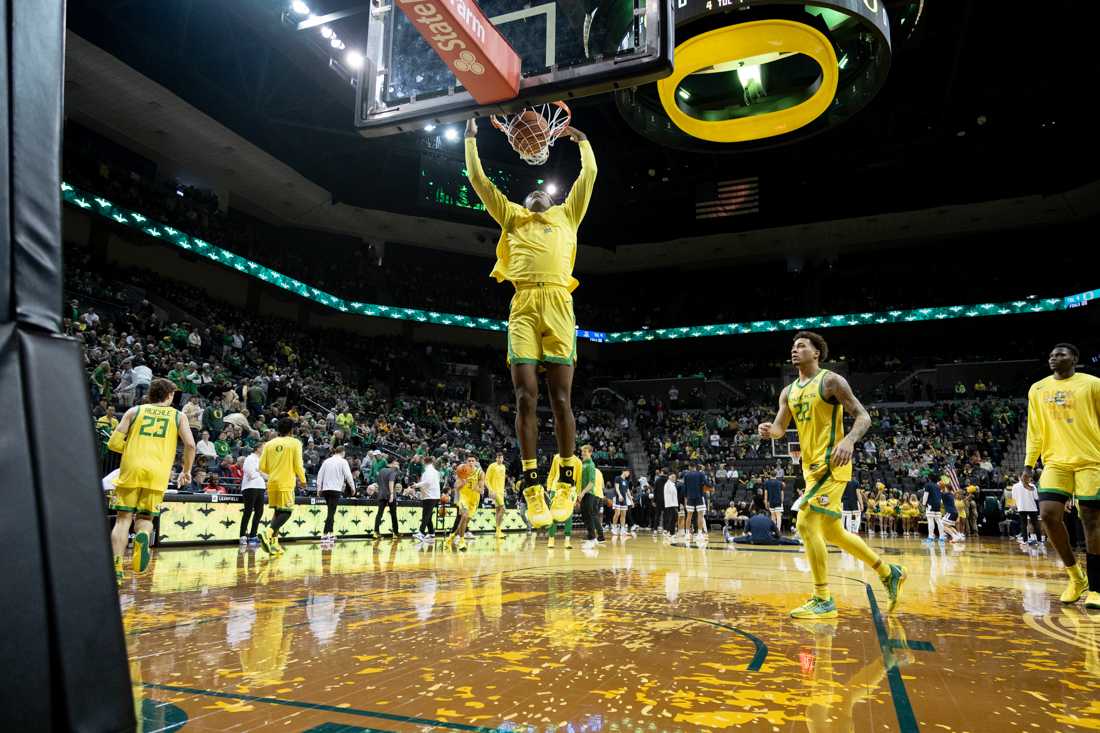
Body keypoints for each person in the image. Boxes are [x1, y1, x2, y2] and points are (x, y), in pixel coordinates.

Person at [464, 117, 596, 531]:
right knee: (524, 396)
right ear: (524, 203)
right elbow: (478, 179)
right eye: (531, 191)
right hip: (523, 303)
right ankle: (533, 485)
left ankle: (567, 480)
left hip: (559, 301)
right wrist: (471, 137)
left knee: (560, 400)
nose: (538, 193)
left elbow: (588, 174)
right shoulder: (512, 217)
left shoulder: (567, 214)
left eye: (543, 190)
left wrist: (583, 140)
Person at [758, 332, 906, 619]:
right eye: (793, 346)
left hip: (833, 465)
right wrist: (769, 431)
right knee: (833, 532)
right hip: (811, 470)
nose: (795, 349)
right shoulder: (788, 392)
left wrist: (849, 440)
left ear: (817, 353)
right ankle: (889, 572)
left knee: (805, 522)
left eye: (802, 346)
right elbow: (780, 428)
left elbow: (864, 417)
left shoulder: (831, 381)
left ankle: (823, 598)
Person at [1025, 343, 1100, 607]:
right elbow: (1034, 429)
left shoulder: (1093, 384)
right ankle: (1076, 577)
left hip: (1092, 459)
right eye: (1051, 354)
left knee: (1090, 519)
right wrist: (1028, 464)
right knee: (1047, 515)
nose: (1054, 358)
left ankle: (1097, 587)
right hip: (1056, 461)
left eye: (1061, 354)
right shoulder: (1038, 388)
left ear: (1075, 359)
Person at [107, 378, 195, 586]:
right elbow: (190, 445)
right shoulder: (178, 416)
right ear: (169, 395)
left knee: (122, 519)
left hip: (131, 470)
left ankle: (117, 568)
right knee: (146, 518)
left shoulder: (134, 411)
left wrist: (131, 448)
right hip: (157, 473)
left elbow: (114, 443)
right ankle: (143, 537)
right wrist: (186, 470)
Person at [257, 417, 305, 556]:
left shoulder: (269, 444)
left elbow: (262, 467)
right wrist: (302, 479)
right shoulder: (295, 443)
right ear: (292, 430)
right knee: (287, 511)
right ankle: (268, 533)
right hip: (285, 482)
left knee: (277, 512)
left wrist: (275, 470)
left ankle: (274, 544)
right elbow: (298, 463)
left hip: (272, 482)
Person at [316, 445, 356, 543]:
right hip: (335, 490)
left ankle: (330, 532)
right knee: (331, 512)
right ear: (343, 452)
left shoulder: (326, 461)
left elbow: (320, 475)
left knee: (331, 511)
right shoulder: (343, 461)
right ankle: (326, 534)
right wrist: (353, 487)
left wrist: (318, 489)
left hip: (325, 490)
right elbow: (348, 476)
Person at [450, 456, 485, 551]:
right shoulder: (462, 471)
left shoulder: (480, 473)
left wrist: (476, 488)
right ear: (466, 462)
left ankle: (452, 536)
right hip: (463, 498)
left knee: (464, 522)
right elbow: (456, 487)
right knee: (464, 516)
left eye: (472, 461)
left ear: (475, 462)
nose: (470, 462)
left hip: (474, 500)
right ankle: (462, 541)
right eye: (469, 460)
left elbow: (482, 491)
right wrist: (463, 482)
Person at [728, 501, 802, 545]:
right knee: (782, 539)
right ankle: (799, 542)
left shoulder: (751, 519)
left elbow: (744, 534)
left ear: (758, 514)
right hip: (768, 540)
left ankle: (730, 539)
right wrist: (774, 535)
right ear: (765, 514)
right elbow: (779, 535)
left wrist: (751, 534)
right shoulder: (769, 520)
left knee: (745, 538)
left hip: (754, 540)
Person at [576, 445, 606, 548]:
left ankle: (594, 537)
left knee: (590, 515)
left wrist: (583, 492)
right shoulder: (582, 464)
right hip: (584, 493)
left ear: (590, 453)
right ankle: (592, 536)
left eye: (585, 451)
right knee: (586, 516)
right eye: (582, 451)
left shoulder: (590, 465)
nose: (583, 453)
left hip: (591, 494)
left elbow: (592, 483)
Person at [409, 456, 442, 542]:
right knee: (429, 515)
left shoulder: (429, 471)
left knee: (426, 515)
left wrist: (416, 485)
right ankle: (431, 532)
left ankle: (421, 533)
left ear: (424, 462)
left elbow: (427, 482)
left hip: (429, 496)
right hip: (433, 495)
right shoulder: (435, 471)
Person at [239, 442, 266, 546]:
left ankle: (253, 535)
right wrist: (259, 472)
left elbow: (266, 475)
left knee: (259, 512)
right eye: (263, 447)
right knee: (248, 511)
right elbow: (250, 474)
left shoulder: (261, 460)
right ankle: (242, 536)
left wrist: (259, 472)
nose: (265, 450)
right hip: (250, 487)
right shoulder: (250, 458)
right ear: (257, 448)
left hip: (260, 487)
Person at [545, 455, 574, 549]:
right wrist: (549, 488)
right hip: (555, 489)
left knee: (569, 515)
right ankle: (551, 538)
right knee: (553, 515)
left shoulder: (575, 460)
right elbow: (552, 473)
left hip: (568, 490)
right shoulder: (556, 457)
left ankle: (567, 540)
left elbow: (577, 477)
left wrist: (576, 491)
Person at [374, 459, 401, 538]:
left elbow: (378, 481)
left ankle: (376, 532)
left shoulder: (382, 470)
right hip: (390, 495)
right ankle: (395, 533)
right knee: (393, 514)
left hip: (381, 494)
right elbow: (391, 482)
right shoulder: (393, 472)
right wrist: (392, 494)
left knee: (379, 514)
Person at [682, 464, 708, 544]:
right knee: (700, 515)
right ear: (696, 467)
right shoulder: (701, 474)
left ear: (690, 467)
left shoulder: (686, 475)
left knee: (689, 516)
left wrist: (685, 499)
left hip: (690, 498)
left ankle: (687, 534)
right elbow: (706, 483)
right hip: (699, 497)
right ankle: (699, 534)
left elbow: (685, 488)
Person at [485, 453, 508, 539]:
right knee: (503, 508)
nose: (500, 459)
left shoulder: (503, 467)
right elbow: (486, 479)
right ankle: (498, 530)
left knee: (498, 510)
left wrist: (504, 490)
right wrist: (490, 490)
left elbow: (502, 480)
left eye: (501, 457)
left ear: (503, 458)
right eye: (498, 457)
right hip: (494, 491)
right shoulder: (492, 466)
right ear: (496, 458)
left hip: (501, 492)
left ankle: (497, 531)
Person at [922, 475, 945, 544]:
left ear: (929, 479)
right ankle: (941, 537)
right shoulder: (938, 486)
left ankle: (930, 537)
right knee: (939, 520)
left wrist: (923, 504)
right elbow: (940, 496)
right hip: (938, 504)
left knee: (930, 520)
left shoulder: (928, 485)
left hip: (930, 504)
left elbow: (925, 495)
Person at [611, 468, 630, 536]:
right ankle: (614, 528)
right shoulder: (618, 478)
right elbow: (616, 488)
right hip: (617, 497)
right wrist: (619, 495)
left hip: (624, 499)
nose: (628, 474)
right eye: (628, 472)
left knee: (623, 515)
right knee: (617, 513)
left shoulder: (626, 481)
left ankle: (622, 530)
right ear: (624, 471)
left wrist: (631, 500)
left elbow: (628, 491)